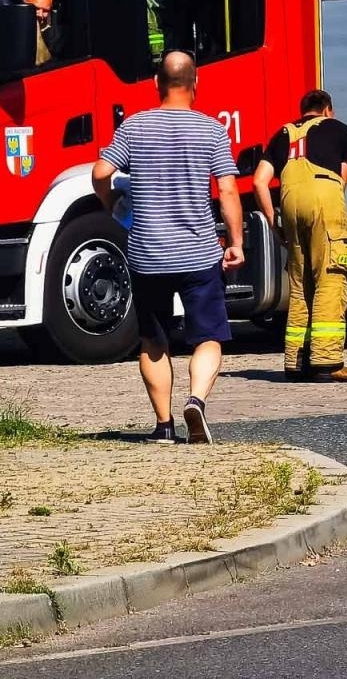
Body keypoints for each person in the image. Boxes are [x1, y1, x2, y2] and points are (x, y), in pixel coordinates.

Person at [92, 51, 244, 443]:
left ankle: (163, 426)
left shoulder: (134, 127)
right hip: (198, 253)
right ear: (196, 84)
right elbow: (227, 188)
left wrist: (113, 206)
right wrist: (236, 241)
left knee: (153, 340)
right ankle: (195, 401)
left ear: (156, 83)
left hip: (148, 254)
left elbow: (101, 172)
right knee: (208, 336)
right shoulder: (211, 131)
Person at [252, 89, 347, 382]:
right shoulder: (337, 128)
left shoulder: (282, 134)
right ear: (327, 109)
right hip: (324, 202)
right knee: (331, 276)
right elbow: (342, 178)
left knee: (300, 283)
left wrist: (273, 221)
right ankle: (327, 362)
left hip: (289, 205)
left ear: (303, 111)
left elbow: (259, 182)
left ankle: (295, 360)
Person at [24, 0, 62, 65]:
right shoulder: (16, 26)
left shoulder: (56, 29)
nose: (40, 14)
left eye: (45, 11)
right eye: (36, 9)